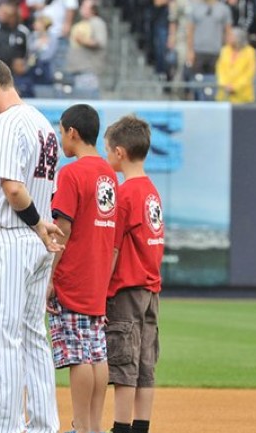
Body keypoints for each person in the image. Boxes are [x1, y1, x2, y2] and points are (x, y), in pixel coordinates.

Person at [0, 57, 62, 433]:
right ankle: (42, 426)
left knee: (3, 338)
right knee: (34, 337)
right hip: (37, 243)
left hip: (10, 237)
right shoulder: (42, 123)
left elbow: (13, 188)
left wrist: (36, 223)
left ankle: (4, 427)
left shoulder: (4, 123)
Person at [46, 104, 116, 433]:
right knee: (97, 351)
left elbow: (63, 228)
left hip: (73, 272)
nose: (62, 139)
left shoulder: (72, 173)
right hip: (99, 271)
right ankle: (94, 427)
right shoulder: (108, 173)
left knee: (79, 355)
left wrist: (49, 277)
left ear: (72, 132)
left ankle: (80, 426)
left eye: (62, 132)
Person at [103, 115, 164, 433]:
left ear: (120, 152)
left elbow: (113, 249)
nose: (107, 155)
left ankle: (121, 427)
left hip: (126, 289)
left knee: (124, 363)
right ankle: (141, 426)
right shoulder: (151, 190)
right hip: (150, 289)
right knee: (145, 364)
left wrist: (101, 291)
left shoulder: (125, 194)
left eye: (108, 149)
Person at [215, 26, 256, 103]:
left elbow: (249, 74)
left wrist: (235, 87)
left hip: (243, 96)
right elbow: (220, 69)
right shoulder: (224, 50)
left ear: (239, 38)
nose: (227, 38)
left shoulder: (250, 52)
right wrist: (224, 84)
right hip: (224, 94)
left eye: (230, 36)